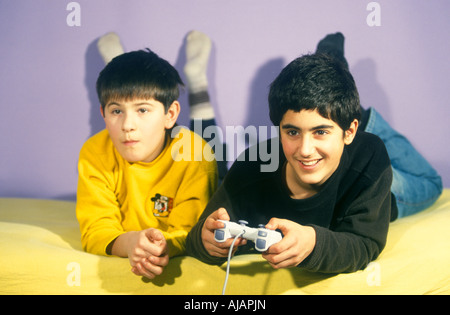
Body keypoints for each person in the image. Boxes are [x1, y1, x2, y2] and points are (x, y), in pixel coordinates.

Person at [186, 53, 397, 273]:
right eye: (293, 132)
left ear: (350, 131)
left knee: (426, 182)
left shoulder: (369, 156)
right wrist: (205, 242)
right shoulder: (252, 166)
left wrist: (314, 243)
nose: (305, 150)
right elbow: (195, 239)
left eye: (320, 132)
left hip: (388, 197)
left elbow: (365, 243)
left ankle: (334, 60)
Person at [76, 38, 218, 280]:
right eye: (116, 111)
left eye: (142, 110)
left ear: (170, 114)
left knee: (212, 143)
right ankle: (124, 75)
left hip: (193, 150)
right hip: (162, 136)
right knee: (130, 94)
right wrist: (130, 243)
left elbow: (189, 231)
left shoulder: (196, 154)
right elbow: (96, 230)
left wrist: (163, 247)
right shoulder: (93, 152)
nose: (128, 126)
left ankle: (197, 82)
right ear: (102, 114)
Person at [316, 32, 443, 218]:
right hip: (363, 177)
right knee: (432, 182)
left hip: (354, 152)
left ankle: (344, 103)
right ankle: (349, 107)